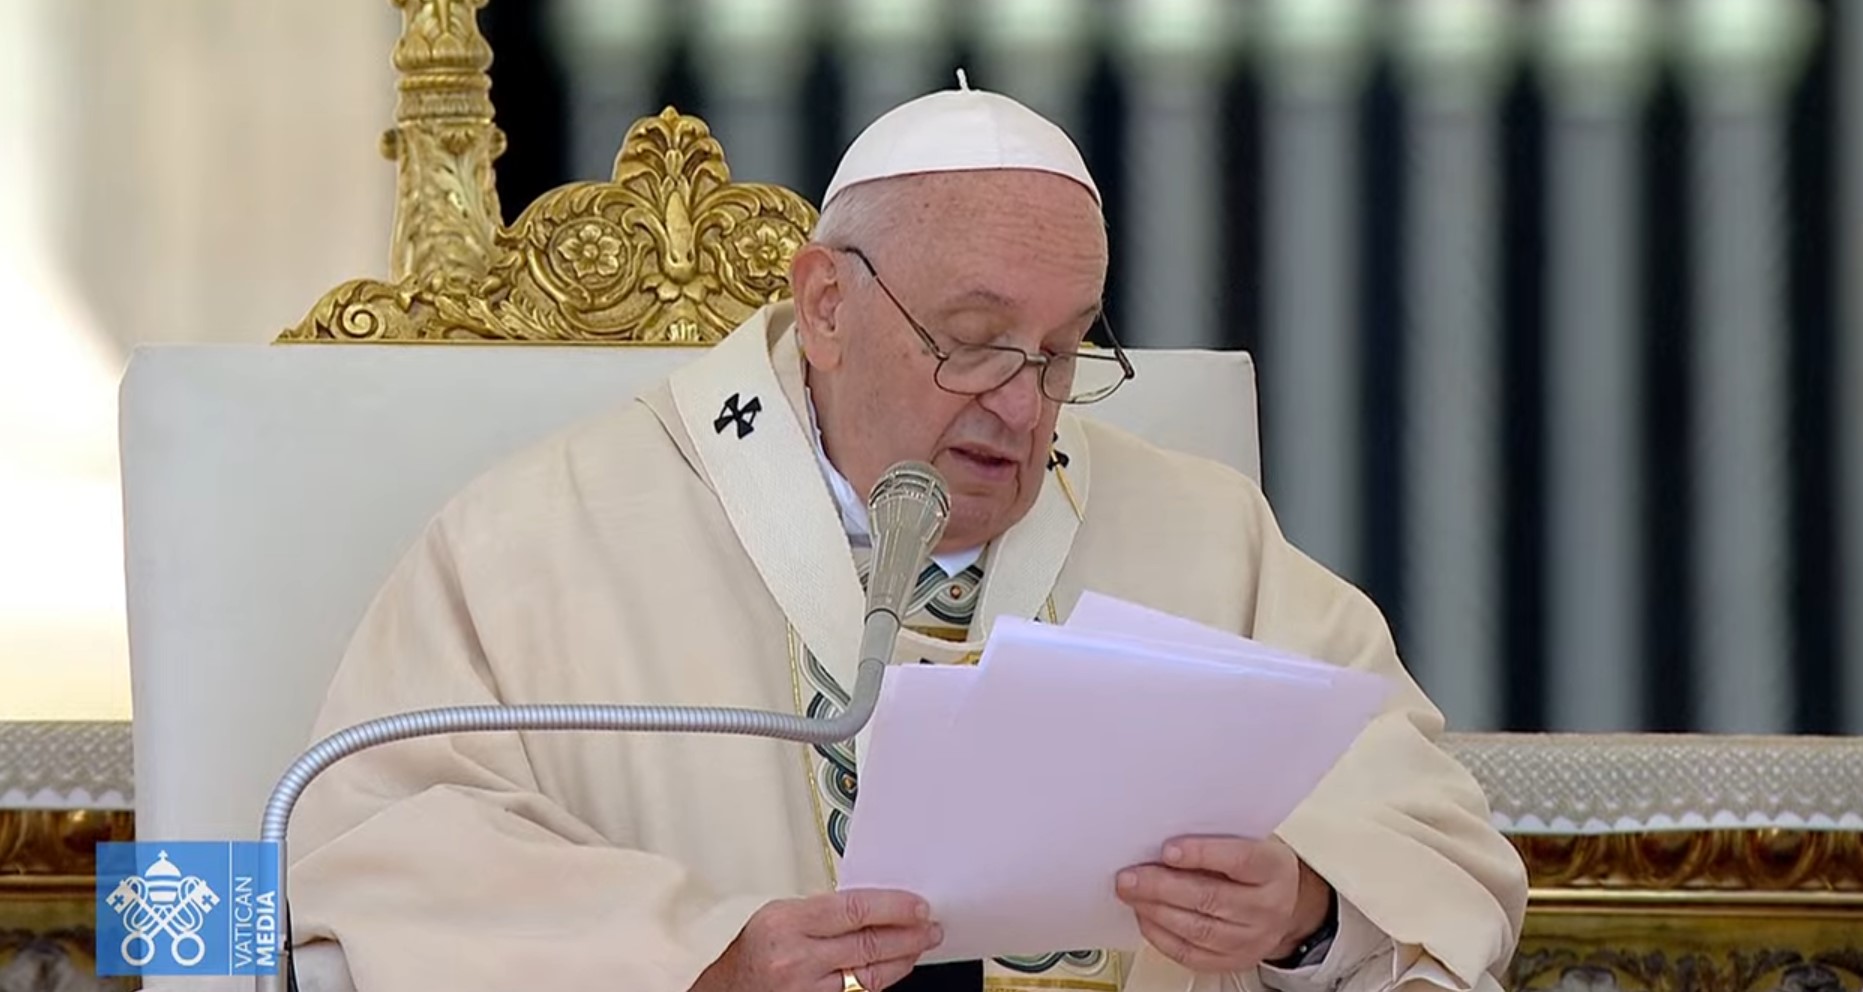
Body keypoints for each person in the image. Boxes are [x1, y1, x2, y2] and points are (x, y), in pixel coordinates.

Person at [287, 80, 1528, 992]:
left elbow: (1432, 840)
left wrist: (1303, 911)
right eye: (972, 337)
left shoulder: (1202, 536)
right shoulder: (552, 536)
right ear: (825, 302)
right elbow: (380, 844)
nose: (1020, 400)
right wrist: (705, 960)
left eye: (1060, 351)